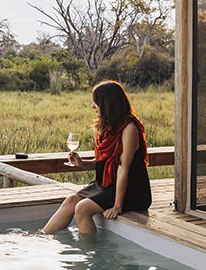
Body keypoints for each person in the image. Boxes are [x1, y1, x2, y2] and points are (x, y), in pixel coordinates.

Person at [37, 80, 152, 235]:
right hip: (107, 185)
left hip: (131, 190)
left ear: (108, 104)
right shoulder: (100, 129)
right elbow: (103, 164)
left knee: (82, 208)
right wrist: (82, 163)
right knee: (71, 201)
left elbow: (123, 169)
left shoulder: (129, 129)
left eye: (96, 102)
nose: (92, 106)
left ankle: (89, 254)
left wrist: (117, 206)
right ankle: (41, 236)